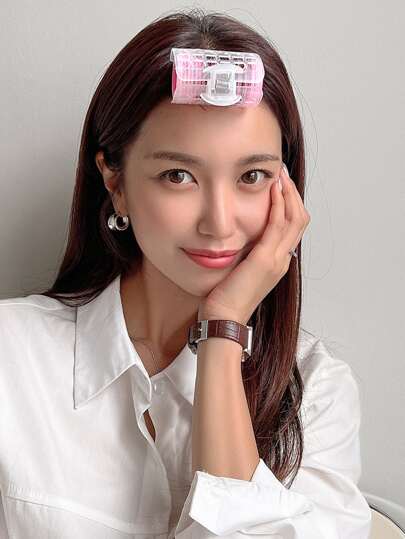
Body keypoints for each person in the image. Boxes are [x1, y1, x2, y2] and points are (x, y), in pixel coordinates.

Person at [0, 7, 372, 539]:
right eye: (178, 175)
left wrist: (223, 330)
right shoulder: (12, 359)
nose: (219, 222)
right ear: (115, 182)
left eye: (252, 176)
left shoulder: (317, 394)